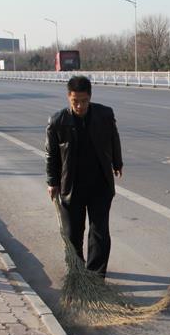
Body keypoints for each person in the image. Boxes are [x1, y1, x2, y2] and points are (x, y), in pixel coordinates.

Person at [45, 76, 123, 278]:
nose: (80, 106)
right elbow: (51, 155)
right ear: (68, 98)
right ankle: (77, 272)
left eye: (84, 101)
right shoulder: (58, 121)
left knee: (99, 232)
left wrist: (117, 162)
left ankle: (96, 276)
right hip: (71, 185)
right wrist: (52, 182)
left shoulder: (105, 114)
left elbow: (114, 138)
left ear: (90, 97)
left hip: (100, 184)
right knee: (72, 233)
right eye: (75, 101)